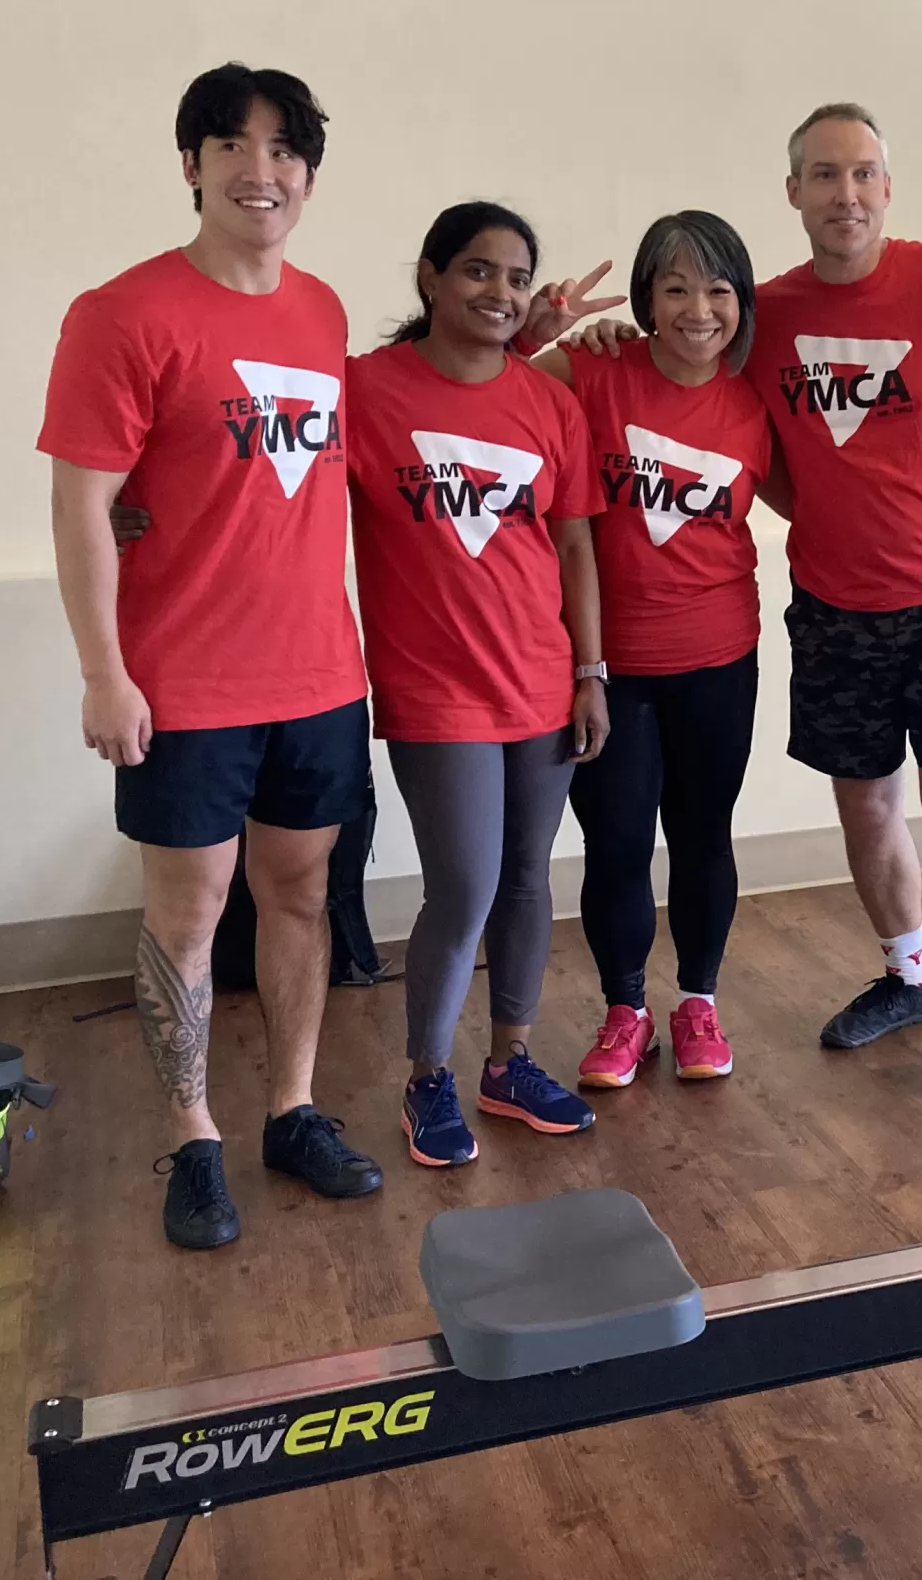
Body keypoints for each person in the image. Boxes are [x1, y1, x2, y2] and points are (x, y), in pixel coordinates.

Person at [570, 104, 922, 1123]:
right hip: (830, 607)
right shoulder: (759, 314)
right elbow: (729, 437)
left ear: (888, 187)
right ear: (794, 194)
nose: (846, 194)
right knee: (864, 806)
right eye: (825, 176)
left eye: (863, 174)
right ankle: (905, 976)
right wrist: (605, 336)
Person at [39, 63, 383, 1250]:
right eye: (231, 145)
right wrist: (104, 669)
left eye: (285, 149)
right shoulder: (122, 314)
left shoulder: (325, 310)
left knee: (301, 896)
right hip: (182, 684)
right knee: (187, 918)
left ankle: (291, 1108)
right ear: (191, 164)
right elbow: (85, 504)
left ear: (309, 175)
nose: (260, 169)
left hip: (322, 676)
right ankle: (194, 1138)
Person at [345, 202, 616, 1167]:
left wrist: (590, 673)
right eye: (476, 271)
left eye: (514, 277)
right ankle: (427, 1079)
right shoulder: (364, 391)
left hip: (541, 682)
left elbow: (577, 544)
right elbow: (267, 464)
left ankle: (509, 1062)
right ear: (428, 277)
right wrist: (138, 502)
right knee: (464, 885)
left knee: (528, 883)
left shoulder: (550, 406)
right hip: (434, 690)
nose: (497, 292)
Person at [516, 213, 778, 1089]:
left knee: (703, 835)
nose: (697, 310)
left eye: (716, 289)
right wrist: (538, 328)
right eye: (674, 288)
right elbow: (486, 390)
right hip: (606, 666)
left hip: (719, 657)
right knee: (619, 843)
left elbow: (833, 487)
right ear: (645, 300)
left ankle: (697, 1002)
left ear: (740, 299)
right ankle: (625, 1010)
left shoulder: (757, 402)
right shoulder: (596, 370)